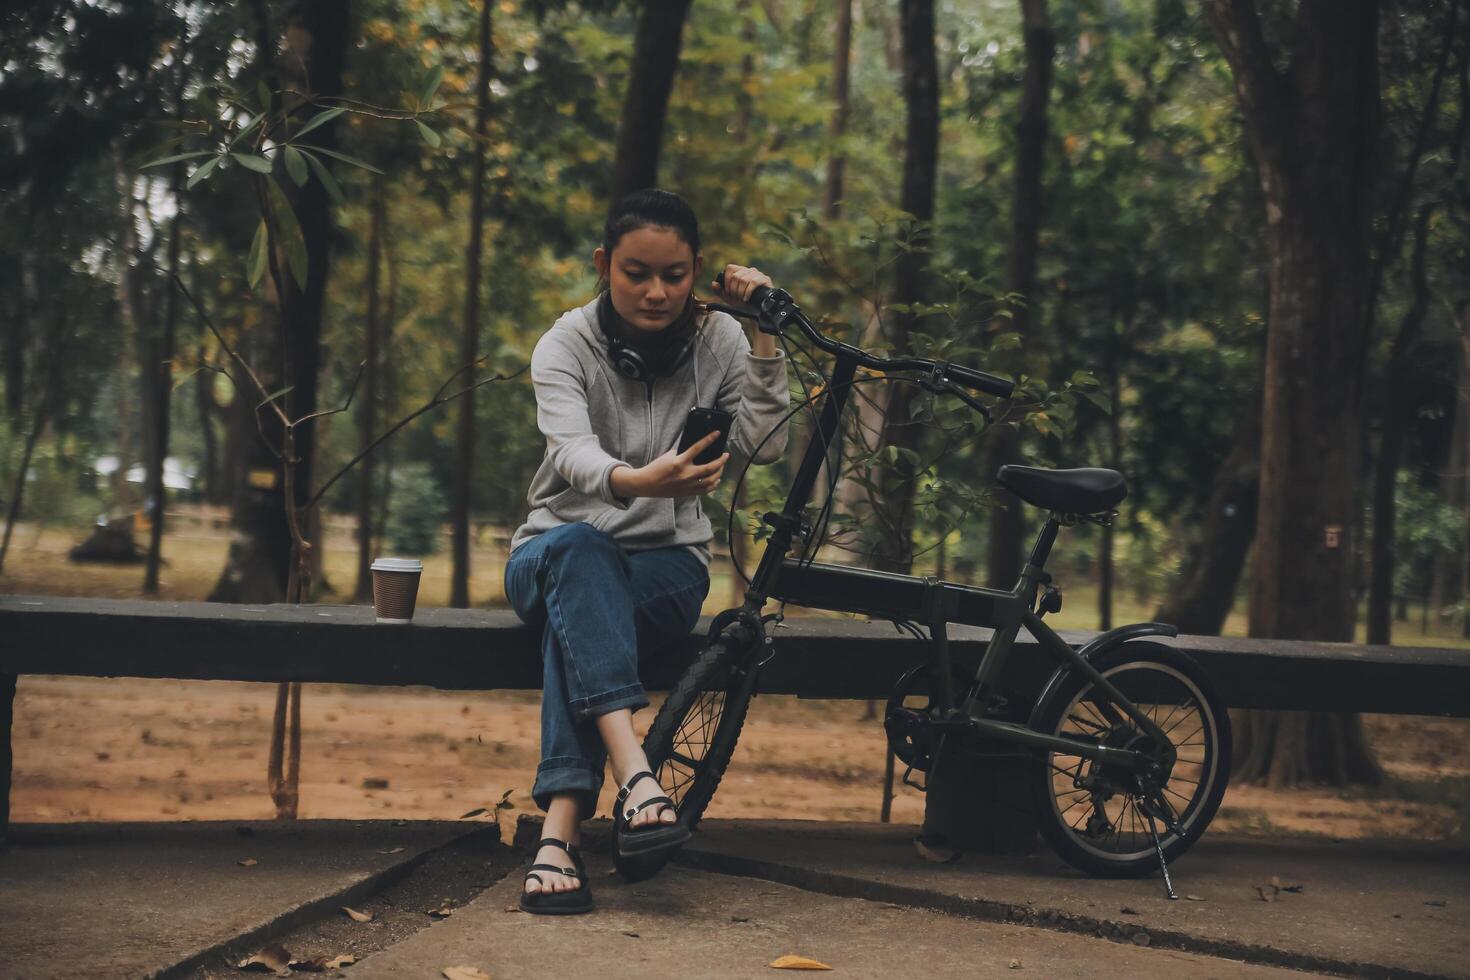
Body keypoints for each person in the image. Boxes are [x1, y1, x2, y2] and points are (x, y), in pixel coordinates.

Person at [503, 188, 791, 914]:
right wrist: (639, 481)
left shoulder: (722, 342)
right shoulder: (565, 344)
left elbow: (766, 448)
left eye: (675, 275)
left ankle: (559, 834)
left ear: (696, 271)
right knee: (579, 552)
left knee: (581, 628)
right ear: (604, 265)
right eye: (636, 272)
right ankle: (636, 774)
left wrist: (762, 337)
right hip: (549, 554)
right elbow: (571, 456)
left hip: (666, 567)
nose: (656, 292)